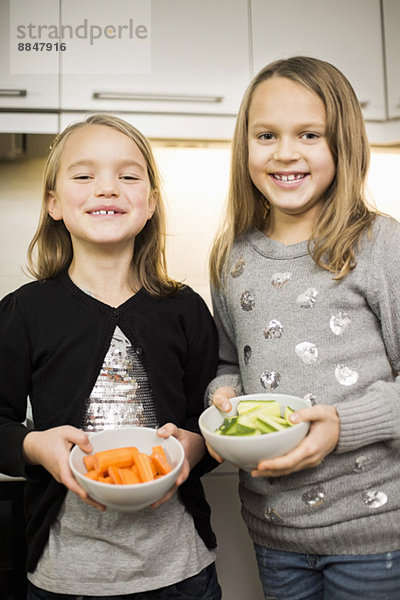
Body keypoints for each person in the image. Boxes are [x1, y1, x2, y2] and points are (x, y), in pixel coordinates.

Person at [0, 114, 222, 600]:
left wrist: (197, 445)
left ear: (151, 204)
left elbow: (208, 416)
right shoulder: (24, 312)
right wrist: (34, 448)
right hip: (65, 577)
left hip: (181, 570)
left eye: (127, 175)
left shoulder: (184, 309)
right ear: (54, 203)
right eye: (83, 176)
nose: (107, 189)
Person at [206, 56, 400, 599]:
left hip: (377, 532)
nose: (285, 152)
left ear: (344, 144)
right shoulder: (232, 257)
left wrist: (345, 424)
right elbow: (229, 364)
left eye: (309, 134)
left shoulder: (381, 246)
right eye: (266, 134)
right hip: (275, 531)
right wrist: (220, 397)